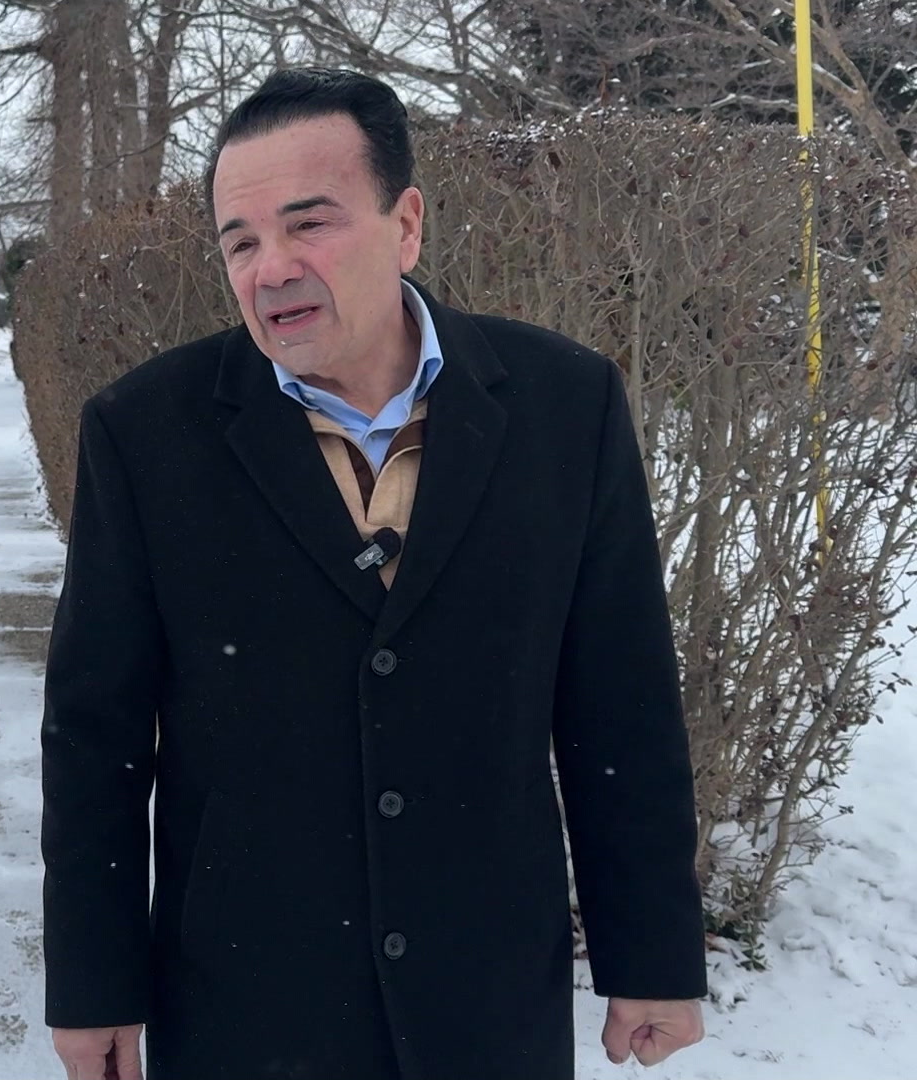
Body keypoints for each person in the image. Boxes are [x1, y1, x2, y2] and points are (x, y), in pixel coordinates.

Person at [40, 68, 709, 1080]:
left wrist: (651, 954)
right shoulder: (145, 434)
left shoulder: (564, 406)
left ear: (406, 226)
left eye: (308, 224)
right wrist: (95, 986)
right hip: (246, 1006)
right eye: (240, 242)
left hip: (487, 1002)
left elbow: (623, 704)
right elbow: (97, 737)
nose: (272, 269)